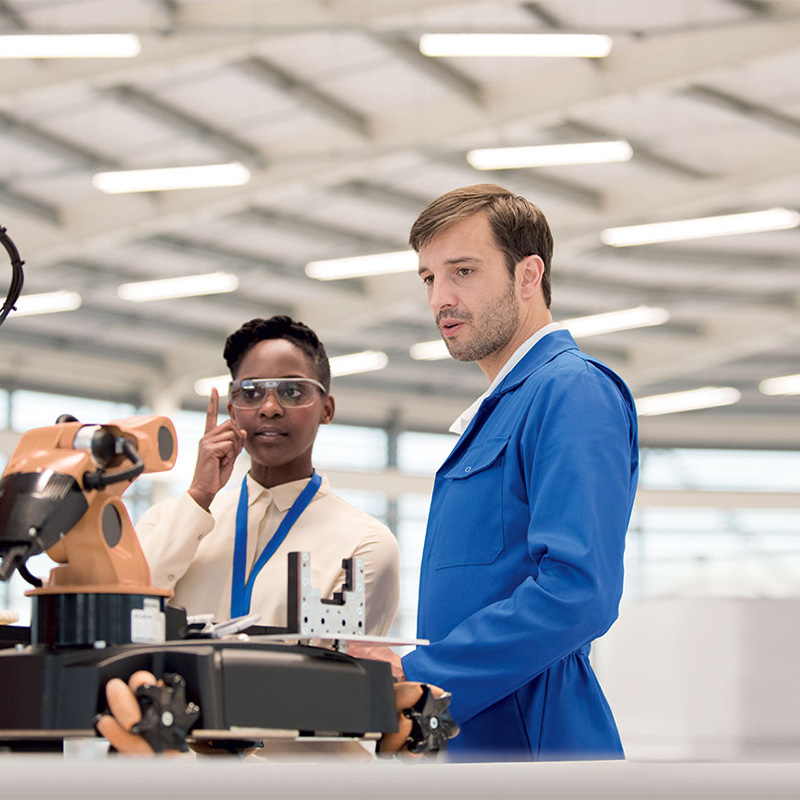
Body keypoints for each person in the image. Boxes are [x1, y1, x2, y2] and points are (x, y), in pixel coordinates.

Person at [349, 184, 639, 762]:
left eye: (463, 271)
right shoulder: (509, 402)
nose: (440, 299)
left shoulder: (571, 390)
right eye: (429, 278)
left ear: (527, 275)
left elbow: (579, 591)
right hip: (475, 732)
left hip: (534, 736)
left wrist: (418, 675)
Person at [136, 315, 400, 636]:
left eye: (292, 391)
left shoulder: (364, 543)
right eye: (250, 392)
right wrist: (199, 496)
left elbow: (341, 675)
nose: (270, 408)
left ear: (327, 409)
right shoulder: (167, 519)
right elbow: (128, 610)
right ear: (232, 411)